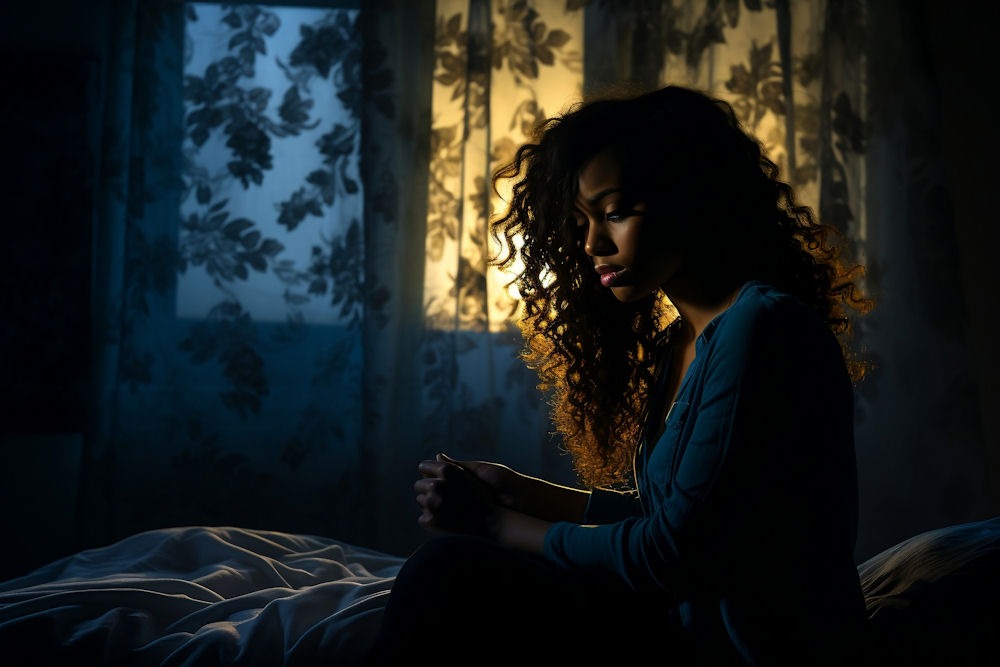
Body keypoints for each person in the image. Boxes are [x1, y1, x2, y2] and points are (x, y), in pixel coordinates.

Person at [368, 84, 874, 666]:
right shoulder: (681, 341)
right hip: (683, 627)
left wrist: (495, 523)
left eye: (614, 213)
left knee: (451, 569)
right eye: (582, 221)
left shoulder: (764, 327)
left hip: (744, 655)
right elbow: (672, 516)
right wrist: (523, 493)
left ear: (692, 196)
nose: (592, 244)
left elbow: (672, 553)